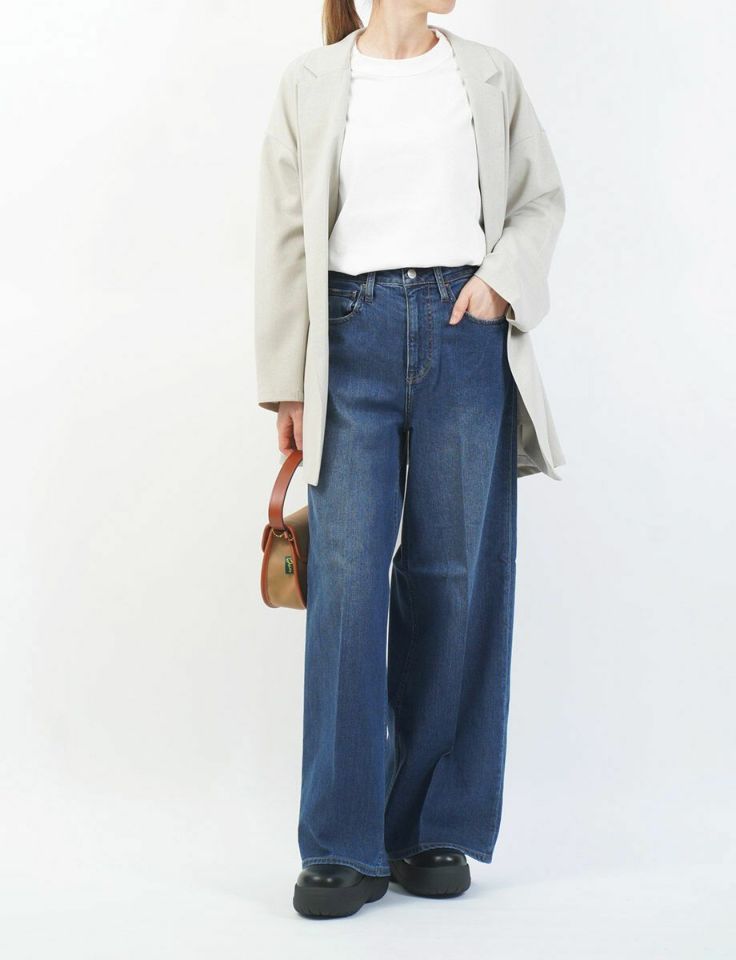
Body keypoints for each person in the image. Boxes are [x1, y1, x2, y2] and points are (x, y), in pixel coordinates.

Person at [254, 0, 566, 919]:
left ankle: (429, 824)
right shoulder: (312, 82)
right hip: (348, 338)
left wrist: (499, 282)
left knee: (453, 577)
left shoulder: (489, 75)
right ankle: (340, 844)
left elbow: (540, 199)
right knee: (346, 582)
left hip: (466, 334)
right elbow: (285, 236)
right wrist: (287, 384)